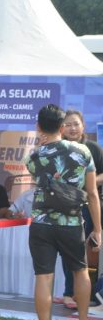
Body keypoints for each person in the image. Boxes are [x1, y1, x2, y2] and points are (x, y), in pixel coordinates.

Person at [27, 104, 101, 320]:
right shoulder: (83, 152)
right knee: (80, 271)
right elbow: (92, 193)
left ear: (39, 126)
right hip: (72, 222)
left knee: (43, 276)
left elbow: (40, 180)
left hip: (41, 224)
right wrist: (98, 228)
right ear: (62, 126)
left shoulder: (33, 157)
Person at [57, 110, 103, 309]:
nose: (72, 128)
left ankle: (84, 294)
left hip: (87, 206)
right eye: (68, 124)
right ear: (61, 128)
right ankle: (70, 293)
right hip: (62, 207)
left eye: (76, 124)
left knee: (84, 250)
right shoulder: (57, 149)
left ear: (83, 126)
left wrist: (88, 181)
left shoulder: (92, 148)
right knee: (66, 250)